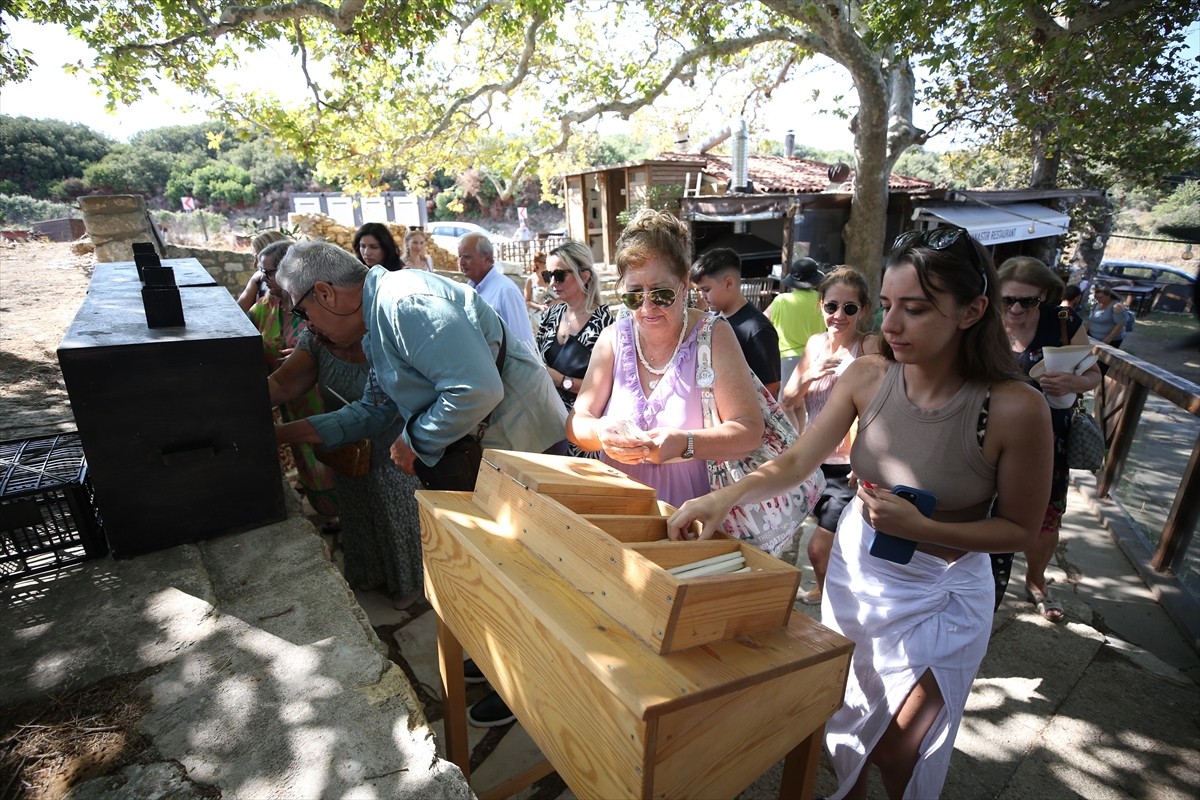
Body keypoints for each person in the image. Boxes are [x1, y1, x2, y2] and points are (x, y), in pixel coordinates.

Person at [667, 227, 1052, 800]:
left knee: (900, 746)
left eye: (916, 309)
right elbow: (798, 459)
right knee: (849, 716)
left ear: (973, 310)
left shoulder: (1016, 408)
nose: (890, 326)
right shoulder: (868, 377)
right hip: (861, 574)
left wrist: (924, 528)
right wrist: (722, 496)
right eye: (890, 305)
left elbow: (1021, 528)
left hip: (943, 590)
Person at [272, 241, 567, 729]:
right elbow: (372, 409)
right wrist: (283, 434)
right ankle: (506, 668)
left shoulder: (404, 302)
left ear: (326, 293)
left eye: (304, 312)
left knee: (527, 580)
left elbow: (475, 389)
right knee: (498, 574)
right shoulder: (378, 323)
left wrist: (413, 440)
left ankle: (527, 688)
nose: (309, 328)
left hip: (523, 454)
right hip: (489, 460)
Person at [566, 208, 763, 508]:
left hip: (688, 518)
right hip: (616, 517)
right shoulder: (613, 339)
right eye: (634, 294)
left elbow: (749, 431)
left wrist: (685, 444)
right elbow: (576, 422)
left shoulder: (713, 337)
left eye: (660, 294)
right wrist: (600, 432)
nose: (647, 307)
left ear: (684, 284)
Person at [267, 329, 425, 609]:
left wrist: (279, 433)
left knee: (395, 519)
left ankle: (408, 584)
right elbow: (282, 383)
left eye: (303, 307)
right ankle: (370, 574)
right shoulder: (315, 337)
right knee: (357, 513)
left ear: (327, 294)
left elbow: (375, 412)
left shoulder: (385, 337)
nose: (298, 313)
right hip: (346, 450)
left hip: (391, 450)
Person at [995, 256, 1101, 621]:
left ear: (1044, 295)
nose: (1017, 308)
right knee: (982, 507)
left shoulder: (1064, 321)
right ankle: (980, 582)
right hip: (989, 433)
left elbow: (1093, 374)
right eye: (1008, 299)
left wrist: (1075, 382)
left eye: (1028, 300)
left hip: (1049, 436)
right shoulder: (982, 319)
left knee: (1045, 515)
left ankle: (1037, 580)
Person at [780, 266, 880, 606]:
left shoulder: (869, 346)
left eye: (849, 308)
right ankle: (827, 592)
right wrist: (810, 373)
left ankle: (835, 605)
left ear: (864, 310)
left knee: (819, 547)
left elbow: (878, 410)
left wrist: (865, 460)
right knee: (823, 547)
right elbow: (788, 400)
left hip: (848, 469)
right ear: (821, 305)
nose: (839, 315)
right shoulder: (815, 344)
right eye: (832, 306)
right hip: (813, 462)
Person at [235, 238, 338, 522]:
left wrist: (309, 352)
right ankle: (328, 517)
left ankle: (343, 518)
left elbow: (345, 344)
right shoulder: (265, 308)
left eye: (267, 272)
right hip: (289, 402)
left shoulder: (314, 305)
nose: (262, 278)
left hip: (322, 400)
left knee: (331, 461)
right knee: (306, 461)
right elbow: (235, 329)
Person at [535, 241, 614, 457]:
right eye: (547, 275)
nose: (552, 283)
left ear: (585, 275)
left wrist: (561, 380)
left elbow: (609, 388)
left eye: (559, 275)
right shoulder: (551, 315)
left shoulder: (605, 323)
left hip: (580, 433)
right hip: (546, 426)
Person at [690, 247, 782, 398]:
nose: (702, 296)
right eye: (698, 291)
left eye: (706, 289)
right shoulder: (711, 318)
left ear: (729, 283)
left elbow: (770, 388)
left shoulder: (757, 329)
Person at [458, 232, 538, 355]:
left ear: (486, 257)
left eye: (467, 257)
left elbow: (523, 345)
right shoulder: (468, 290)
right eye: (460, 256)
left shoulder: (506, 291)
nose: (461, 262)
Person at [767, 257, 828, 405]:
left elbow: (764, 321)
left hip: (787, 358)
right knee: (809, 403)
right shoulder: (821, 300)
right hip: (816, 357)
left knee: (787, 404)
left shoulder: (781, 300)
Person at [1088, 284, 1129, 349]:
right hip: (1093, 337)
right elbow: (1091, 319)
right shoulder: (1097, 304)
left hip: (1108, 341)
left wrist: (1109, 338)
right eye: (1096, 297)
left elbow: (1121, 324)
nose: (1098, 299)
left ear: (1108, 296)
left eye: (1100, 297)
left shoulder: (1116, 307)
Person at [524, 252, 555, 333]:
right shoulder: (531, 280)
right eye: (544, 262)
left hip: (555, 315)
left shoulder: (553, 277)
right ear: (538, 263)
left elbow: (563, 297)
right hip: (537, 319)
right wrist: (540, 307)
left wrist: (555, 302)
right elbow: (527, 301)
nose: (547, 264)